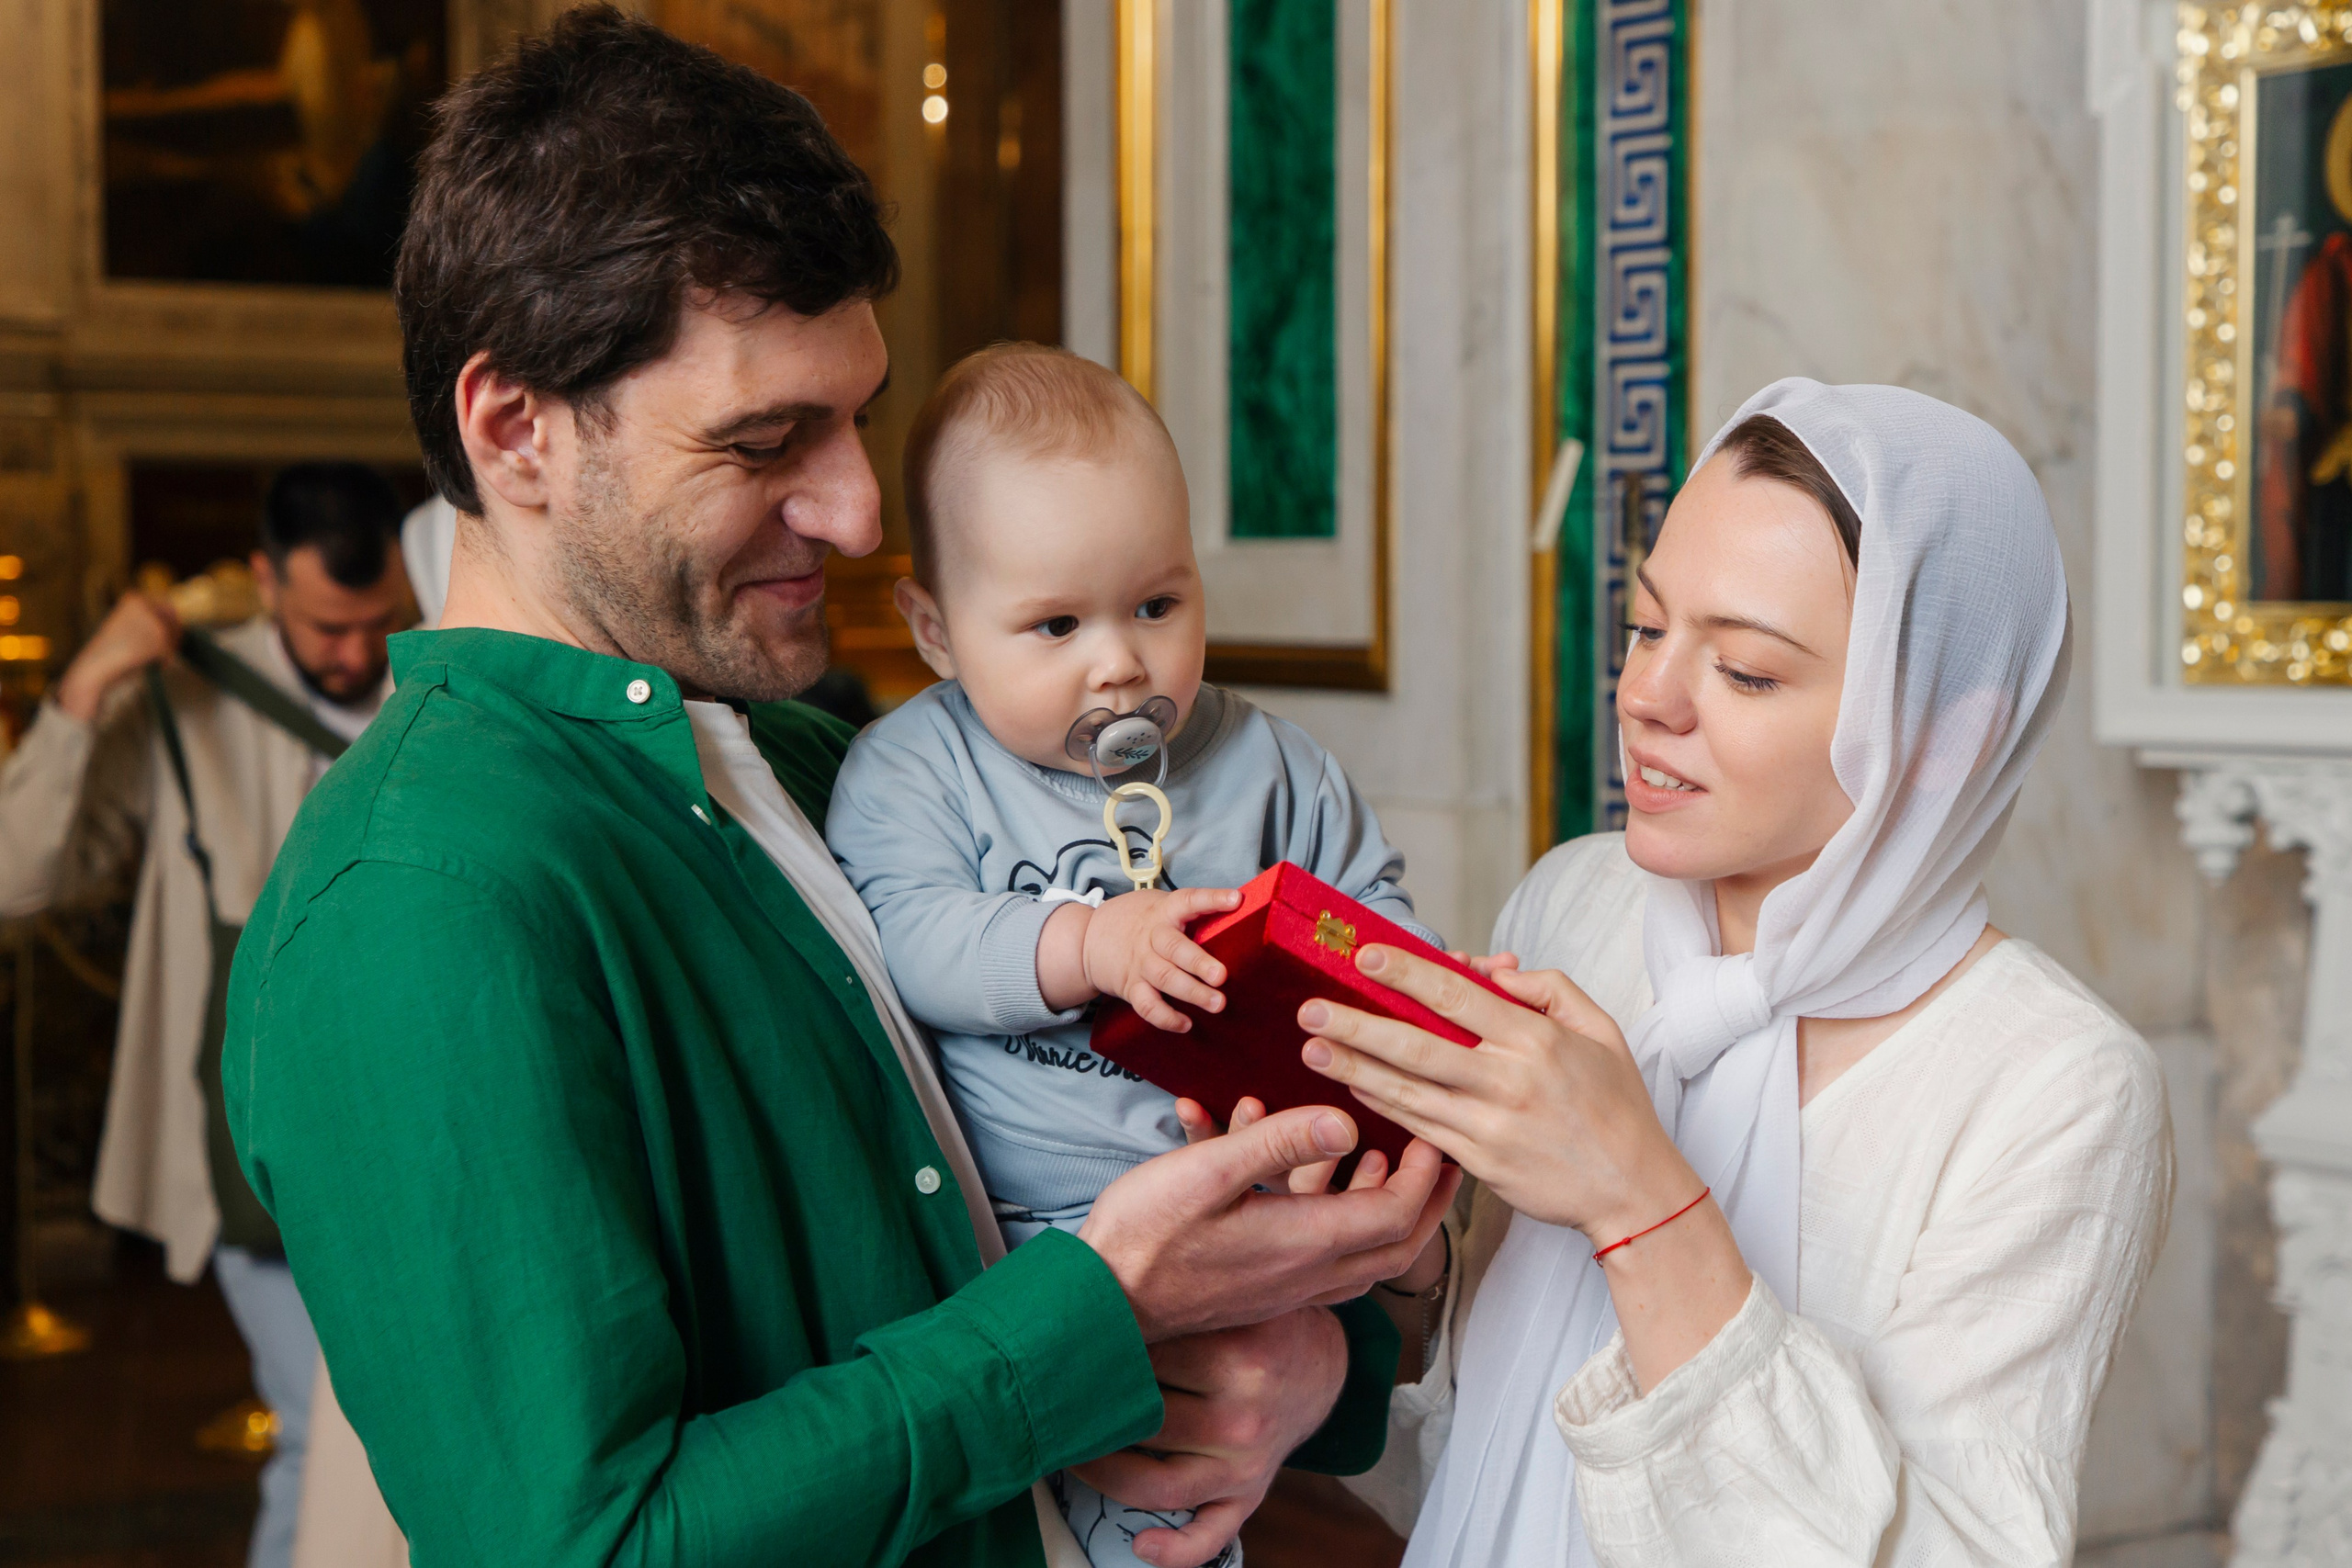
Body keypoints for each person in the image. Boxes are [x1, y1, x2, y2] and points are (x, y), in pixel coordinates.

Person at [221, 12, 1454, 1568]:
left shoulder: (822, 758)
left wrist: (1308, 1372)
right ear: (515, 428)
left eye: (857, 416)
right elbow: (585, 1548)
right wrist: (1097, 1308)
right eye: (766, 438)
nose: (863, 511)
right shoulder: (412, 904)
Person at [1290, 380, 2173, 1565]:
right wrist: (1404, 1260)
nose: (1646, 699)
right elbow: (1470, 1449)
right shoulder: (1577, 900)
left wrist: (1635, 1197)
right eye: (1650, 628)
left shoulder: (2054, 1088)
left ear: (1940, 738)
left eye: (1746, 673)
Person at [826, 343, 1442, 1567]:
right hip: (1021, 1242)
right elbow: (912, 942)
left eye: (1157, 604)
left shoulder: (1273, 768)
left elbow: (1375, 923)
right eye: (1055, 623)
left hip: (1251, 1205)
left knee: (1173, 1498)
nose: (1118, 660)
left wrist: (1395, 999)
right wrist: (1089, 939)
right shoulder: (914, 770)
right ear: (936, 629)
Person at [0, 461, 413, 1568]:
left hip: (401, 1127)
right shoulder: (184, 697)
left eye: (377, 623)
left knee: (392, 1440)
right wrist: (88, 683)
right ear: (266, 580)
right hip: (241, 1149)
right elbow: (17, 877)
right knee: (325, 1432)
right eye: (330, 625)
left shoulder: (427, 688)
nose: (352, 654)